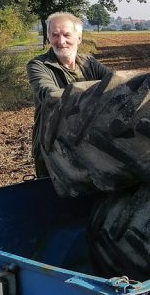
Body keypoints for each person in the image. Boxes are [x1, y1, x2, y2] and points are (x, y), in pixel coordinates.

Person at [27, 12, 110, 177]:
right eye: (54, 35)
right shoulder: (38, 65)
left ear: (79, 38)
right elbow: (49, 93)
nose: (61, 41)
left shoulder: (89, 63)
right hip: (54, 146)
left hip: (89, 142)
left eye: (66, 35)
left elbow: (114, 84)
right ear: (49, 38)